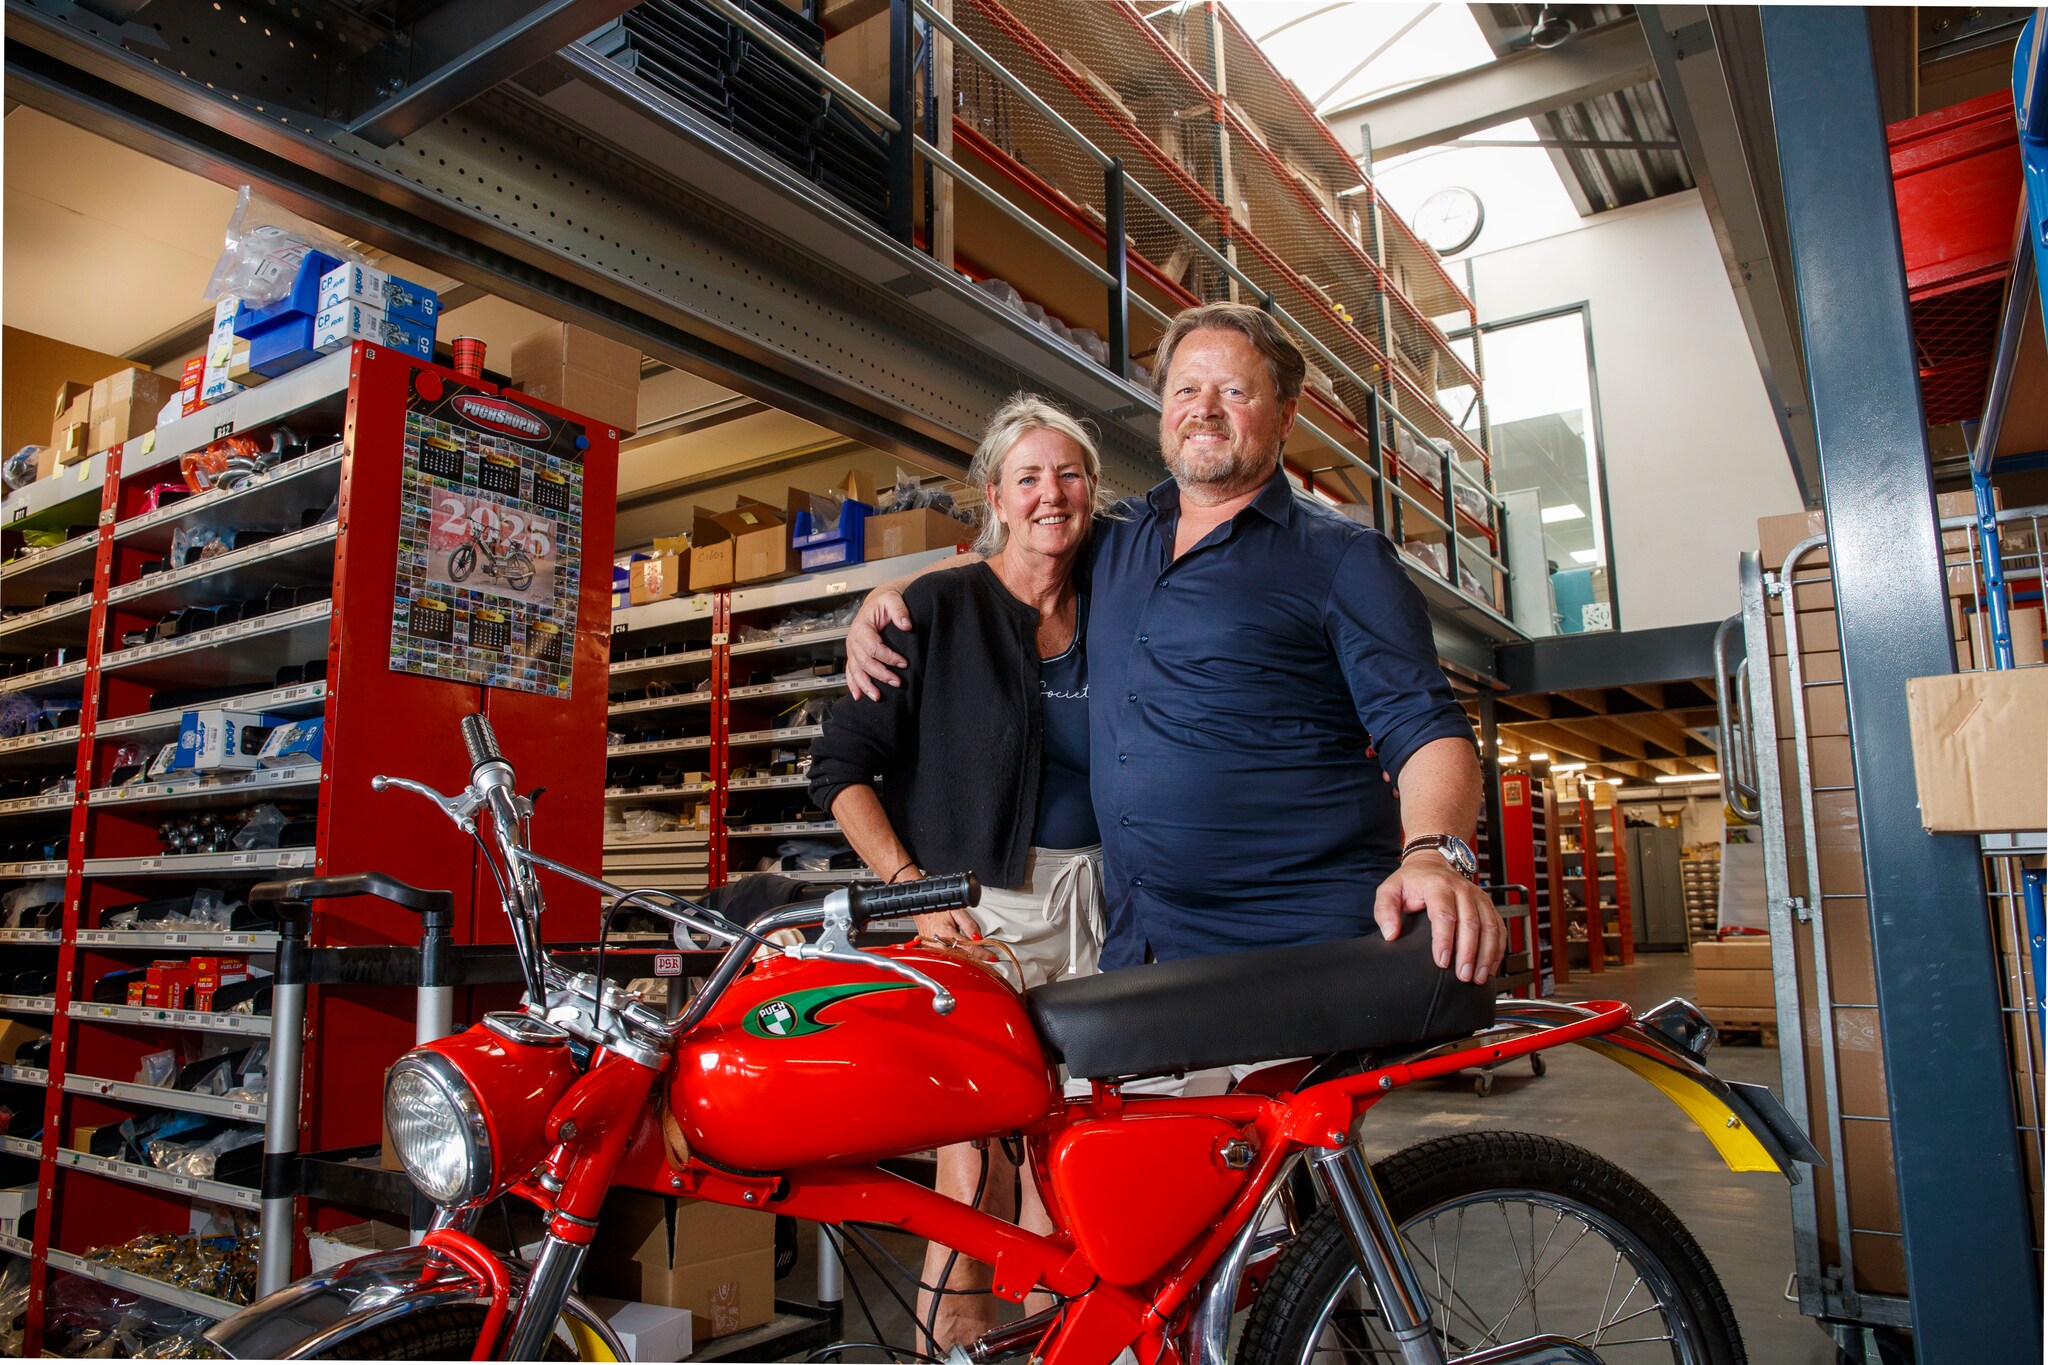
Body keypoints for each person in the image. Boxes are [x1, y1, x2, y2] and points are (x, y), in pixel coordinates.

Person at [845, 302, 1507, 983]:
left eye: (1235, 391)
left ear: (1286, 415)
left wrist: (1431, 851)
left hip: (1291, 952)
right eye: (1187, 389)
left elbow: (1425, 727)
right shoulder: (1121, 537)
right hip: (1141, 948)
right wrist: (886, 595)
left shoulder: (1344, 560)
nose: (1205, 409)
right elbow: (1022, 551)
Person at [807, 393, 1110, 1350]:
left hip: (1109, 903)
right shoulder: (933, 607)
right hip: (981, 909)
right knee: (974, 1159)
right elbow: (840, 773)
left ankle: (1065, 1340)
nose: (1051, 494)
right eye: (1029, 477)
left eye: (1069, 474)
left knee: (1084, 1153)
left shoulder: (1121, 596)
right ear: (996, 497)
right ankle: (957, 1347)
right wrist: (907, 887)